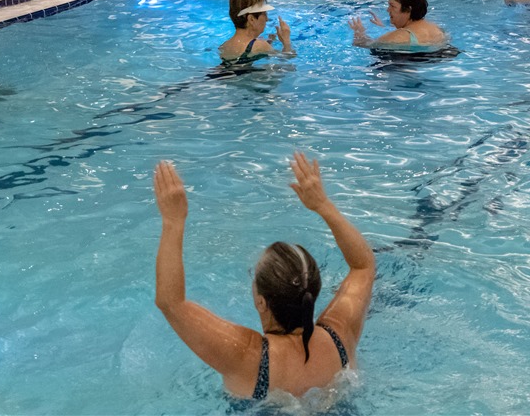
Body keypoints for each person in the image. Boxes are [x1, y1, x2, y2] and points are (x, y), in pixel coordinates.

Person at [152, 152, 375, 401]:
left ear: (261, 302)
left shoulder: (246, 357)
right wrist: (323, 205)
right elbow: (363, 266)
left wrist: (173, 221)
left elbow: (170, 302)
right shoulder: (341, 335)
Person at [349, 0, 447, 48]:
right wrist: (384, 28)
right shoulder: (436, 28)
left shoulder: (396, 37)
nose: (388, 10)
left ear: (408, 10)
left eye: (392, 6)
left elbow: (363, 45)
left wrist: (359, 33)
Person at [219, 0, 293, 63]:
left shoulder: (224, 46)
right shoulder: (260, 46)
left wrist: (269, 42)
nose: (267, 19)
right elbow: (287, 60)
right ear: (251, 19)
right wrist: (286, 41)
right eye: (264, 14)